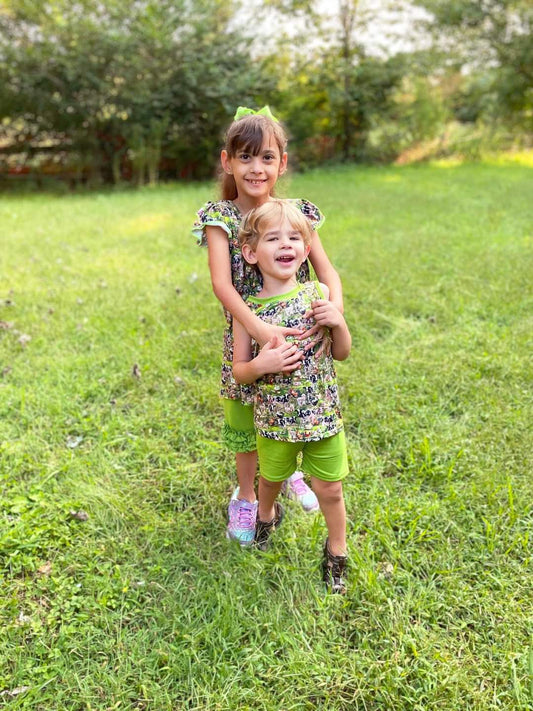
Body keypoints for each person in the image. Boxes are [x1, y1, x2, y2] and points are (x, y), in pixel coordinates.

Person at [192, 106, 343, 547]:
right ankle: (245, 494)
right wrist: (259, 332)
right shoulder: (221, 217)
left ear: (282, 163)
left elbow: (329, 275)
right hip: (246, 330)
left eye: (267, 158)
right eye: (245, 157)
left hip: (299, 333)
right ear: (228, 162)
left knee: (292, 403)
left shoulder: (295, 215)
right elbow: (223, 285)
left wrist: (332, 312)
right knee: (246, 417)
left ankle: (285, 469)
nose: (256, 168)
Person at [233, 199, 351, 594]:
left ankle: (337, 551)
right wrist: (262, 365)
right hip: (274, 420)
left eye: (294, 237)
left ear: (305, 247)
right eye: (273, 238)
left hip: (322, 416)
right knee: (272, 478)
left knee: (330, 487)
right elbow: (240, 371)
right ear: (251, 252)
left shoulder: (318, 293)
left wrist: (339, 321)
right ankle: (266, 515)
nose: (286, 244)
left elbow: (341, 352)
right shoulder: (248, 312)